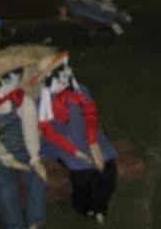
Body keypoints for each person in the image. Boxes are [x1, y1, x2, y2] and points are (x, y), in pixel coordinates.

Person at [33, 51, 118, 225]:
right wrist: (76, 152)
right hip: (61, 143)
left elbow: (90, 115)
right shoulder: (42, 101)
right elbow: (49, 133)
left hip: (86, 135)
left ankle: (100, 206)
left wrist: (93, 144)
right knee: (83, 172)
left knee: (108, 167)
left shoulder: (80, 90)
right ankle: (83, 206)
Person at [0, 46, 53, 229]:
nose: (13, 83)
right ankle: (14, 225)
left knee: (38, 179)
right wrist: (7, 159)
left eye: (17, 77)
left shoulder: (22, 100)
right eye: (7, 79)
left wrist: (35, 158)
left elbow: (30, 130)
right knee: (5, 188)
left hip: (23, 148)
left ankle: (35, 222)